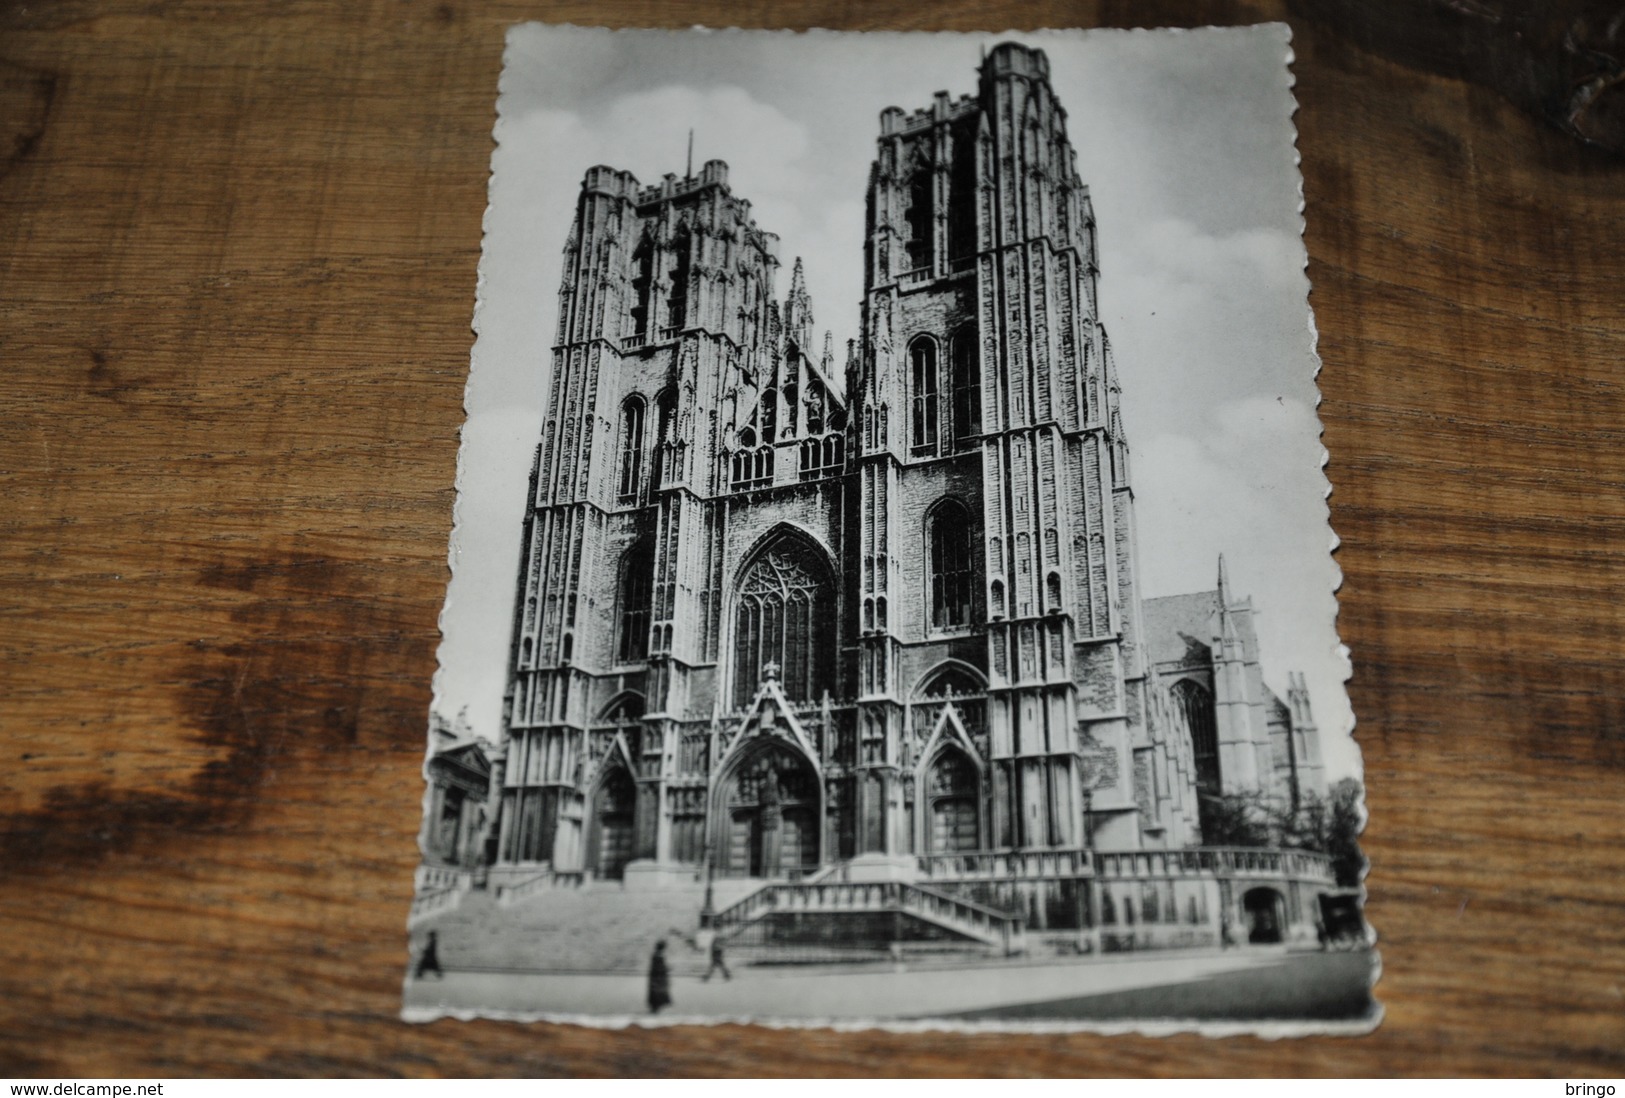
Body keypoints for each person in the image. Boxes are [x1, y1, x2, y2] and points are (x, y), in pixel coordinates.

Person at [647, 940, 672, 1014]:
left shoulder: (655, 955)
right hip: (659, 976)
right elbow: (660, 967)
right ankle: (656, 1006)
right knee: (658, 991)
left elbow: (657, 966)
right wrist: (666, 968)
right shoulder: (659, 956)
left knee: (655, 991)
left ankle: (656, 1006)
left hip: (656, 976)